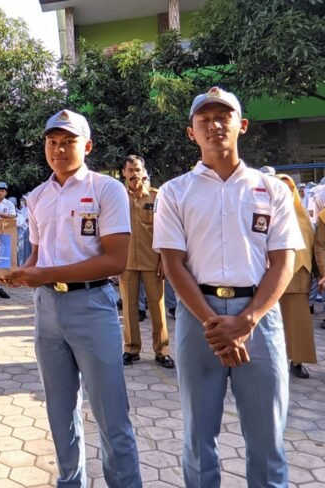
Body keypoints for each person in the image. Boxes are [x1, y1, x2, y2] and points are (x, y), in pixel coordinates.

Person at [154, 87, 302, 487]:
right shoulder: (174, 192)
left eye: (224, 117)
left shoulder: (271, 190)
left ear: (243, 125)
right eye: (204, 119)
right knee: (199, 438)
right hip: (197, 318)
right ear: (191, 132)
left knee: (267, 437)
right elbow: (172, 263)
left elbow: (283, 262)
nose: (214, 125)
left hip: (259, 318)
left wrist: (247, 320)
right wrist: (214, 324)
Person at [1, 108, 141, 487]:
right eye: (52, 142)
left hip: (92, 306)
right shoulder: (37, 196)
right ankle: (69, 481)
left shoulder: (105, 189)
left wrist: (43, 273)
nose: (59, 149)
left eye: (68, 142)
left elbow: (115, 260)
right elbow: (37, 254)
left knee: (111, 414)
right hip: (47, 309)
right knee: (60, 412)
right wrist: (17, 272)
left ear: (87, 145)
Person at [119, 155, 174, 369]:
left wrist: (164, 260)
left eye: (138, 169)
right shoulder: (119, 198)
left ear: (144, 171)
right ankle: (131, 349)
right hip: (127, 262)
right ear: (124, 172)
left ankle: (162, 351)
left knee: (157, 307)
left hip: (152, 261)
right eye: (130, 170)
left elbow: (165, 230)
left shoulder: (155, 197)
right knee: (129, 308)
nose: (134, 174)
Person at [276, 173, 317, 378]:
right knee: (271, 322)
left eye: (287, 188)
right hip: (270, 277)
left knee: (298, 323)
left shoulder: (302, 218)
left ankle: (297, 360)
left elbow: (315, 247)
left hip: (298, 276)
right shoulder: (266, 215)